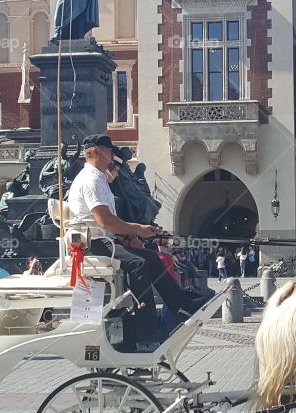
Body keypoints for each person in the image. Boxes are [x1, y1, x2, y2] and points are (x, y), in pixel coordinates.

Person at [67, 135, 210, 347]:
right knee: (138, 263)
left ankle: (181, 305)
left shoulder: (98, 178)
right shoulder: (91, 179)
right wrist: (138, 230)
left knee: (151, 259)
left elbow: (107, 222)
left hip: (101, 240)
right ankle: (147, 329)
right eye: (110, 151)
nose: (113, 156)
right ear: (96, 151)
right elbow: (104, 220)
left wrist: (131, 235)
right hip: (92, 243)